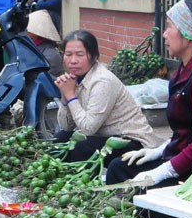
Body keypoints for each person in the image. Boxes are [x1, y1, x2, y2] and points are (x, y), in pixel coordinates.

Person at [106, 0, 192, 188]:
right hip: (185, 163)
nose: (165, 34)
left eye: (170, 27)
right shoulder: (183, 71)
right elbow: (186, 132)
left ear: (188, 32)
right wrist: (158, 151)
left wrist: (160, 172)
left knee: (136, 188)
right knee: (120, 167)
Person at [54, 29, 161, 163]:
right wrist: (65, 99)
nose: (73, 60)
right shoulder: (74, 78)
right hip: (104, 137)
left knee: (83, 148)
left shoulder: (102, 80)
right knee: (61, 138)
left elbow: (88, 129)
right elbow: (66, 127)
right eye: (68, 54)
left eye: (80, 54)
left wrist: (70, 96)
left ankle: (83, 184)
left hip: (133, 141)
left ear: (94, 56)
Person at [26, 10, 64, 78]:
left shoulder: (51, 55)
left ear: (35, 32)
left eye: (28, 30)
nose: (25, 32)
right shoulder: (31, 46)